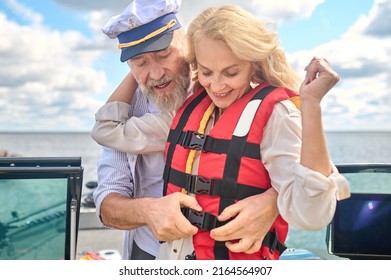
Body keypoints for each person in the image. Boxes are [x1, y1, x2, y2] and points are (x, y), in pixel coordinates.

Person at [92, 4, 351, 260]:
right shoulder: (181, 113)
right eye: (206, 72)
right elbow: (106, 189)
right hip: (158, 251)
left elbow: (307, 195)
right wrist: (138, 67)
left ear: (185, 49)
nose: (216, 85)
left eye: (163, 54)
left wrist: (275, 199)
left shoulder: (267, 112)